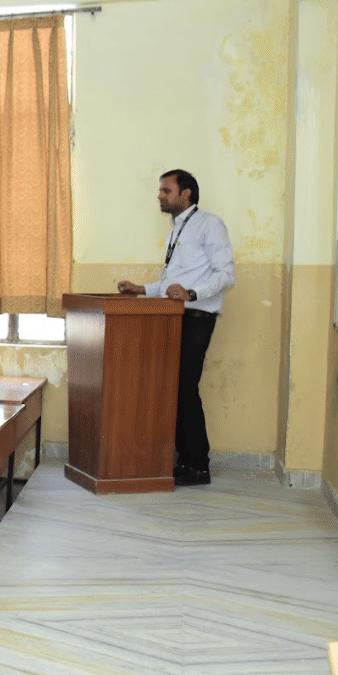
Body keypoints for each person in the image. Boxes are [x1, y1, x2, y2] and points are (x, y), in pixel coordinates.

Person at [117, 168, 236, 486]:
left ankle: (199, 465)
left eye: (166, 190)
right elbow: (174, 283)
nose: (159, 196)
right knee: (174, 389)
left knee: (184, 388)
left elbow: (226, 275)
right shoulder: (177, 228)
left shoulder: (209, 224)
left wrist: (192, 294)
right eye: (160, 190)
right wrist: (142, 289)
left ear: (186, 194)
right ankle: (185, 461)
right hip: (174, 317)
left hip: (196, 318)